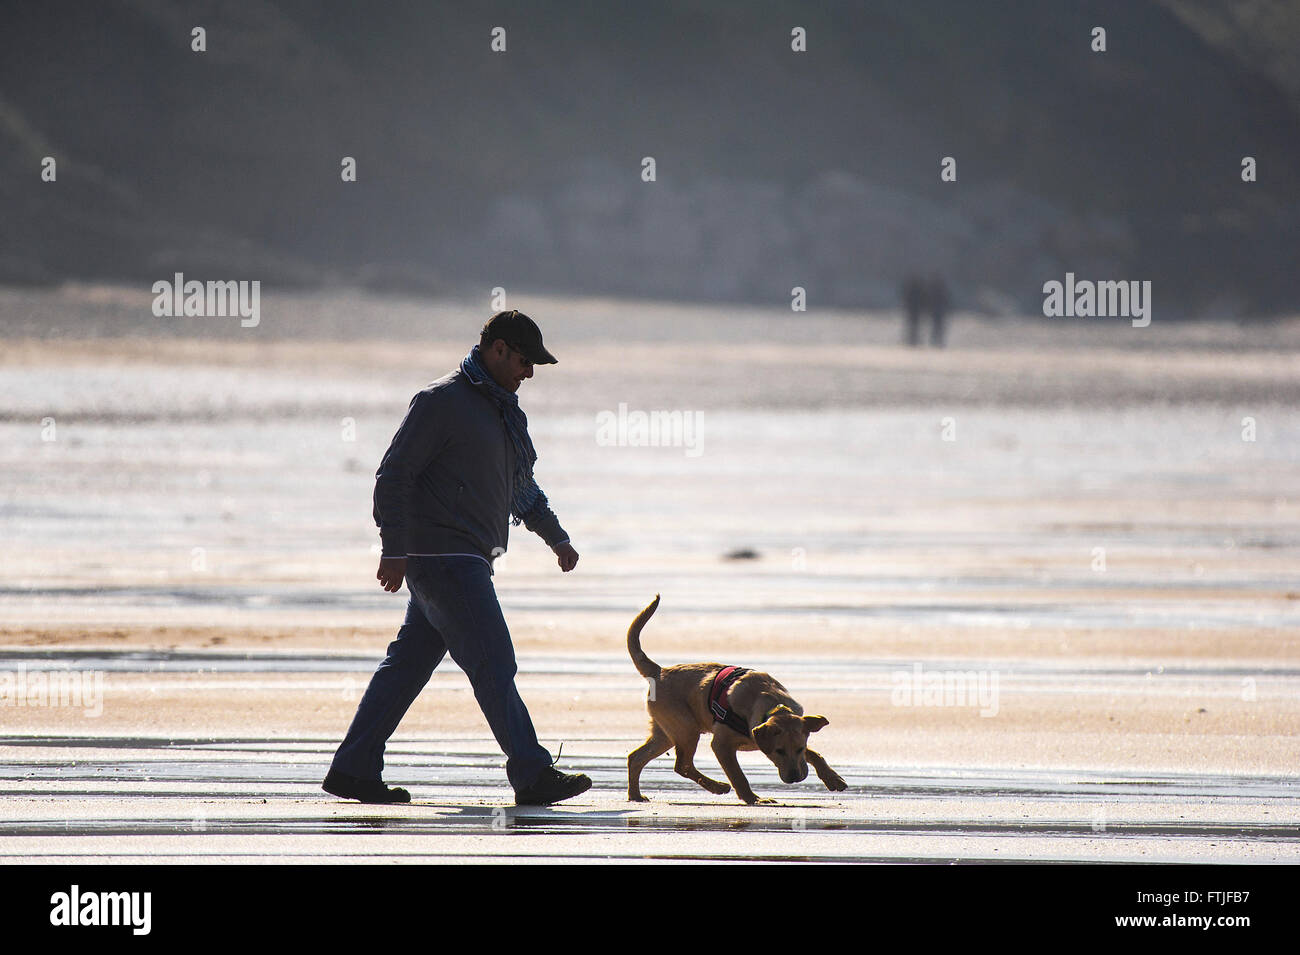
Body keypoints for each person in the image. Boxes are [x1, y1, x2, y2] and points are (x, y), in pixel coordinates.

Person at [322, 309, 590, 806]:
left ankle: (353, 768)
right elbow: (393, 475)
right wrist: (393, 549)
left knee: (406, 668)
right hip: (444, 557)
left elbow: (521, 490)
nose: (529, 372)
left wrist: (557, 539)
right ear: (499, 349)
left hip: (460, 558)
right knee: (493, 660)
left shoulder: (503, 412)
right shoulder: (440, 402)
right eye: (526, 361)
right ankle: (531, 773)